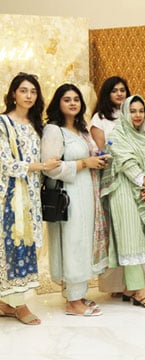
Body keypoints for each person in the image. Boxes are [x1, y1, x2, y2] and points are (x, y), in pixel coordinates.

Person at [42, 84, 110, 316]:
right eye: (67, 99)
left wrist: (99, 160)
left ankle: (78, 294)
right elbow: (49, 168)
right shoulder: (53, 130)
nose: (73, 103)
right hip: (68, 196)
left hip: (86, 192)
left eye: (76, 100)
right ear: (58, 103)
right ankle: (73, 302)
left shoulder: (82, 131)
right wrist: (83, 164)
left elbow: (89, 158)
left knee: (82, 243)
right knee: (73, 243)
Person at [90, 76, 145, 299]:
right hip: (120, 185)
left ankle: (137, 285)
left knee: (138, 237)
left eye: (141, 111)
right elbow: (118, 158)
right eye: (114, 90)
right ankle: (134, 288)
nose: (137, 115)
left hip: (139, 188)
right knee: (127, 237)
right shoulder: (115, 131)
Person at [0, 73, 60, 325]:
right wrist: (40, 166)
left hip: (33, 195)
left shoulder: (38, 126)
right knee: (13, 247)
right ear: (13, 93)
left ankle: (7, 302)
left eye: (33, 92)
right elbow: (5, 163)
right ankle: (20, 305)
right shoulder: (3, 123)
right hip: (11, 197)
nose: (28, 96)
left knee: (29, 246)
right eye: (23, 90)